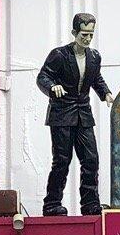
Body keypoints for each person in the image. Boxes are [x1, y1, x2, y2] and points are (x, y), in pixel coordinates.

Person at [36, 12, 111, 216]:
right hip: (62, 113)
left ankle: (90, 204)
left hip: (83, 112)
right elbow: (42, 77)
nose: (87, 39)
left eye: (90, 34)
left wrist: (106, 94)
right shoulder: (59, 55)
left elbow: (96, 79)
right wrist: (52, 87)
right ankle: (52, 204)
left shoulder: (94, 56)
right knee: (61, 160)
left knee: (91, 159)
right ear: (74, 33)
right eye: (83, 34)